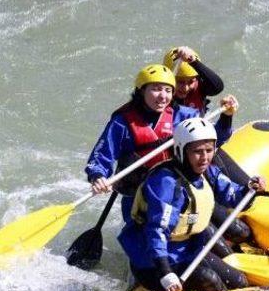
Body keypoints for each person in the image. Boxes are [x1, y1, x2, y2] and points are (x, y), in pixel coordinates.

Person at [118, 117, 267, 291]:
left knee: (239, 281)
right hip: (153, 263)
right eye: (197, 151)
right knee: (208, 278)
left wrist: (250, 189)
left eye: (209, 150)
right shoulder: (166, 183)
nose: (204, 157)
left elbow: (233, 196)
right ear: (181, 151)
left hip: (186, 252)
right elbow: (156, 232)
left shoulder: (207, 171)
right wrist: (166, 273)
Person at [84, 63, 238, 221]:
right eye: (156, 89)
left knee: (237, 230)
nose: (163, 96)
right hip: (140, 197)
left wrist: (227, 116)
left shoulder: (184, 116)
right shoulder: (122, 122)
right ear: (141, 90)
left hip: (180, 190)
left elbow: (213, 140)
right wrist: (98, 177)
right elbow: (101, 155)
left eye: (168, 90)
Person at [163, 46, 225, 115]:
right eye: (180, 82)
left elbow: (218, 87)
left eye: (191, 82)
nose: (185, 88)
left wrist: (193, 61)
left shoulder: (200, 87)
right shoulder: (159, 92)